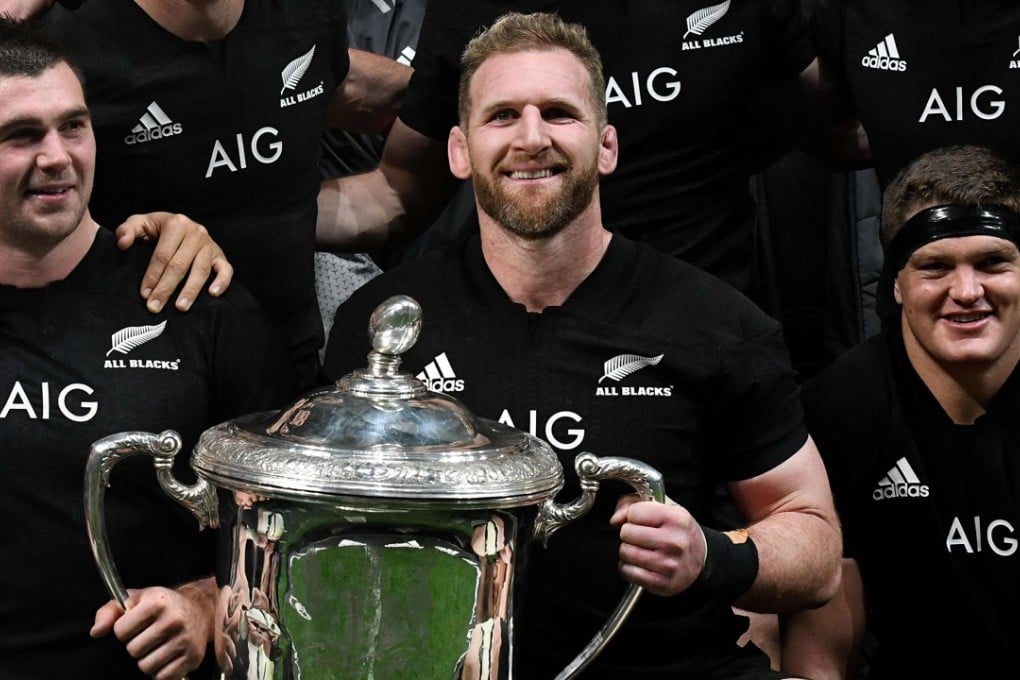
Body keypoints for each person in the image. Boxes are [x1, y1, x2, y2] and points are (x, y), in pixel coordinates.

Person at [321, 12, 842, 679]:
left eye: (560, 114)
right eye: (503, 116)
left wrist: (712, 556)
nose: (531, 138)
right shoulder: (383, 326)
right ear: (459, 150)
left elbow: (816, 548)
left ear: (606, 146)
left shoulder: (716, 325)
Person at [0, 18, 295, 679]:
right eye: (21, 136)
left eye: (73, 126)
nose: (57, 156)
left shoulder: (195, 302)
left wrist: (206, 606)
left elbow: (301, 544)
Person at [315, 0, 832, 310]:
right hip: (523, 325)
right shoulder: (472, 8)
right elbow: (393, 194)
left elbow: (841, 133)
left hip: (702, 325)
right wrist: (245, 218)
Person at [29, 0, 412, 394]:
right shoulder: (66, 43)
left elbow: (357, 100)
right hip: (140, 367)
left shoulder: (309, 15)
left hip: (288, 363)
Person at [780, 145, 1020, 678]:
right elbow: (822, 639)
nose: (967, 292)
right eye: (935, 267)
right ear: (895, 283)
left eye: (992, 263)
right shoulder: (840, 409)